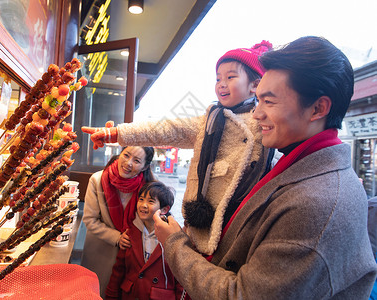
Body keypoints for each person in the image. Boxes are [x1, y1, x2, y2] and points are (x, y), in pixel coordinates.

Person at [153, 36, 377, 300]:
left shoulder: (317, 204)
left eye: (269, 102)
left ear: (318, 108)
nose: (257, 113)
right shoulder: (296, 164)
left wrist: (174, 244)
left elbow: (242, 295)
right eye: (258, 100)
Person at [82, 41, 275, 256]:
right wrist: (115, 133)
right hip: (201, 226)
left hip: (244, 226)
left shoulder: (265, 123)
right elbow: (166, 129)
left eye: (230, 77)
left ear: (254, 85)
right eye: (218, 78)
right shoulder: (208, 121)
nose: (221, 83)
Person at [81, 146, 155, 298]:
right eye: (126, 155)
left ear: (145, 166)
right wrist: (117, 237)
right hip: (101, 252)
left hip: (133, 254)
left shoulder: (149, 187)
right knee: (95, 293)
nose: (128, 163)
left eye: (137, 161)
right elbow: (90, 219)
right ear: (120, 154)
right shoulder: (98, 180)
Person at [105, 181, 183, 299]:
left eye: (151, 201)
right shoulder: (131, 232)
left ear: (164, 209)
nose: (143, 205)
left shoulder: (173, 236)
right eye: (141, 199)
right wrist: (111, 295)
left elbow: (181, 279)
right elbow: (119, 269)